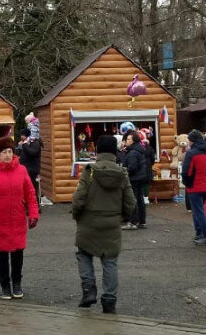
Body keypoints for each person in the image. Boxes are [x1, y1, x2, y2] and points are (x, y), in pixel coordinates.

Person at [71, 135, 135, 314]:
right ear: (115, 151)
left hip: (88, 222)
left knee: (83, 254)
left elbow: (79, 198)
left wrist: (77, 215)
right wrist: (122, 217)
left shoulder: (89, 171)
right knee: (110, 261)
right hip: (112, 223)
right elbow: (130, 201)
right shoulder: (122, 173)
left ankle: (89, 289)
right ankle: (109, 300)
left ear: (98, 151)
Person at [0, 136, 39, 300]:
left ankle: (17, 284)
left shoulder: (22, 170)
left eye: (10, 151)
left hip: (17, 218)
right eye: (4, 152)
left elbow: (30, 194)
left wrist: (33, 214)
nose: (7, 155)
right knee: (2, 255)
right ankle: (5, 285)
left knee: (18, 254)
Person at [181, 130, 206, 246]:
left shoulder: (191, 154)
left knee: (198, 212)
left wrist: (187, 183)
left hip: (194, 186)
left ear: (192, 141)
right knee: (200, 211)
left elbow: (186, 171)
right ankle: (201, 233)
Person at [121, 131, 148, 230]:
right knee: (140, 200)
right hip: (141, 178)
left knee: (132, 200)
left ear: (133, 141)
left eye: (128, 139)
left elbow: (132, 167)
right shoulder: (140, 150)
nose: (126, 141)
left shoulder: (132, 152)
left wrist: (125, 171)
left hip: (133, 179)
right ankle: (142, 221)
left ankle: (133, 221)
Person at [18, 128, 42, 203]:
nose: (21, 137)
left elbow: (32, 153)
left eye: (23, 135)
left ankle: (36, 206)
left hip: (32, 170)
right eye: (21, 135)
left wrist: (24, 145)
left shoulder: (34, 143)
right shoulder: (24, 143)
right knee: (25, 189)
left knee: (33, 189)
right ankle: (28, 206)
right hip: (25, 169)